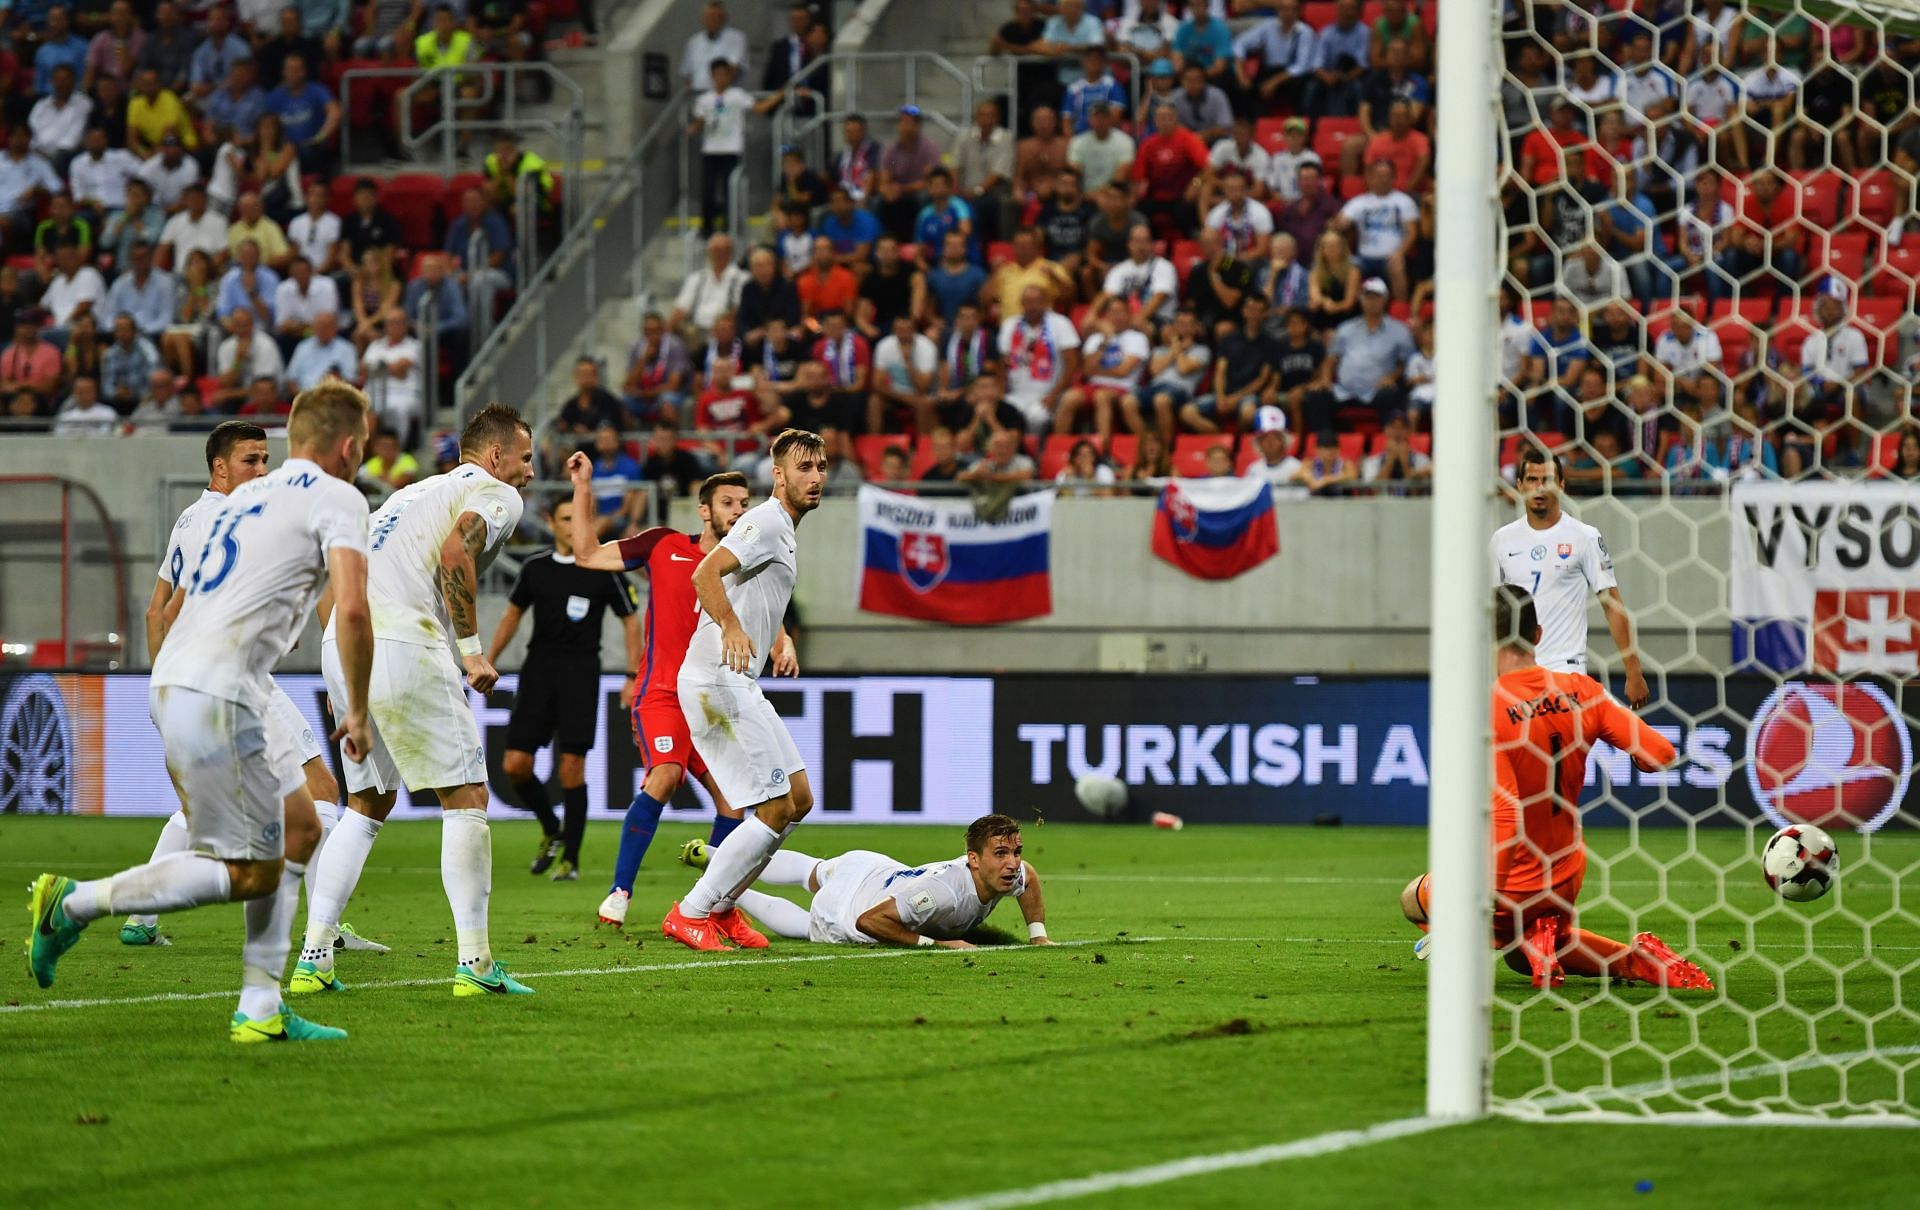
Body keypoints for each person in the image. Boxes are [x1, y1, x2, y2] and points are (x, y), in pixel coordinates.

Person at [26, 384, 377, 1044]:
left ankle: (261, 1006)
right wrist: (355, 712)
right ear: (350, 447)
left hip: (198, 678)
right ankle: (71, 904)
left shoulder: (239, 503)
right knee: (250, 870)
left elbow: (173, 602)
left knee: (300, 826)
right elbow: (353, 610)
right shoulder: (338, 497)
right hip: (220, 687)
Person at [292, 404, 536, 999]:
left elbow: (336, 580)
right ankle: (475, 964)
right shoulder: (495, 491)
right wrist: (473, 651)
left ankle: (314, 957)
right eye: (526, 457)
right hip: (406, 640)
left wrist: (341, 666)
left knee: (366, 802)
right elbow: (458, 553)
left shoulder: (406, 495)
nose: (531, 471)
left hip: (346, 642)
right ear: (496, 456)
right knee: (468, 797)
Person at [122, 419, 385, 954]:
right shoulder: (239, 520)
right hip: (237, 679)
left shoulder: (190, 519)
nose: (263, 470)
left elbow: (157, 612)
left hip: (188, 682)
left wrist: (164, 685)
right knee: (323, 795)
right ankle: (324, 933)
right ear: (220, 467)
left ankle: (140, 917)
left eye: (267, 459)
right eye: (251, 460)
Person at [1401, 587, 1711, 992]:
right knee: (1518, 954)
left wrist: (1487, 895)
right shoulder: (1582, 690)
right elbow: (1661, 752)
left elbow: (1508, 811)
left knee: (1413, 898)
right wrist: (1639, 756)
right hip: (1565, 873)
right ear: (1539, 634)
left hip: (1511, 881)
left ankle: (1526, 933)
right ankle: (1638, 962)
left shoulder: (1488, 708)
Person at [564, 469, 789, 926]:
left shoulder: (744, 562)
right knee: (664, 776)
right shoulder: (663, 545)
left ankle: (710, 905)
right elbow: (587, 555)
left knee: (734, 804)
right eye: (728, 503)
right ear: (704, 510)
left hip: (711, 700)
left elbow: (765, 606)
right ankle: (620, 891)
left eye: (744, 503)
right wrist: (583, 486)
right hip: (663, 695)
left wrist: (783, 640)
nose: (739, 511)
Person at [659, 429, 826, 952]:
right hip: (716, 680)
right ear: (779, 475)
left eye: (821, 466)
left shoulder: (783, 529)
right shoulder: (767, 521)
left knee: (798, 800)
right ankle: (690, 911)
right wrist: (731, 626)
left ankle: (726, 907)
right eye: (804, 468)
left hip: (740, 680)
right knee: (773, 807)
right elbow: (706, 575)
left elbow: (751, 587)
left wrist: (780, 638)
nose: (816, 477)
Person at [485, 494, 642, 881]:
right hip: (538, 671)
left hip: (581, 674)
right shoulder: (536, 568)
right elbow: (511, 614)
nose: (573, 526)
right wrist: (487, 659)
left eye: (579, 518)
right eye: (565, 518)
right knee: (514, 765)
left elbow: (630, 619)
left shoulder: (605, 567)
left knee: (572, 769)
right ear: (552, 524)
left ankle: (570, 858)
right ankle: (551, 827)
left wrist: (632, 675)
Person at [690, 813, 1052, 949]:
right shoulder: (944, 894)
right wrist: (938, 945)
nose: (1012, 864)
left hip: (873, 868)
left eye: (1016, 852)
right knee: (804, 926)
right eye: (1001, 854)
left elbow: (1030, 877)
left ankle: (714, 856)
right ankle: (721, 881)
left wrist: (1038, 935)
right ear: (973, 860)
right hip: (851, 907)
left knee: (810, 870)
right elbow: (870, 921)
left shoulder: (1011, 872)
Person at [1490, 445, 1649, 707]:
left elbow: (1612, 605)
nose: (1540, 488)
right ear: (1519, 485)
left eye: (1548, 480)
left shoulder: (1584, 537)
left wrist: (1633, 670)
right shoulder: (1502, 540)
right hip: (1516, 675)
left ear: (1561, 485)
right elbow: (1489, 614)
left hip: (1565, 672)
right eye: (1532, 479)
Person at [999, 283, 1081, 433]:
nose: (1032, 306)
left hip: (1047, 394)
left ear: (1045, 303)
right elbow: (1002, 362)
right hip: (1016, 394)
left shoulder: (1060, 323)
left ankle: (1034, 454)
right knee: (1001, 412)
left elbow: (1072, 363)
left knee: (1036, 417)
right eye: (1028, 301)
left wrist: (1054, 396)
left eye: (1037, 301)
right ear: (1021, 303)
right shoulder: (1010, 324)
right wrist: (1001, 391)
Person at [688, 57, 751, 234]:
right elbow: (699, 121)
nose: (721, 78)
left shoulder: (737, 95)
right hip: (711, 150)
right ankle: (707, 228)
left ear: (729, 76)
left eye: (724, 74)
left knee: (728, 190)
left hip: (731, 149)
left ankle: (729, 226)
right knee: (707, 190)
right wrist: (694, 127)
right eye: (718, 74)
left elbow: (757, 107)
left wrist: (780, 94)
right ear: (712, 76)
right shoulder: (705, 99)